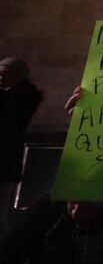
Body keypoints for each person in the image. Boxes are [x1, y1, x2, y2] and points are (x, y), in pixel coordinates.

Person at [0, 197, 103, 264]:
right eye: (73, 203)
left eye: (87, 205)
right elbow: (9, 253)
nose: (77, 212)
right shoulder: (47, 208)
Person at [0, 57, 42, 242]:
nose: (1, 78)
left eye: (6, 74)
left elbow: (12, 121)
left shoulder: (24, 97)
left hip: (5, 163)